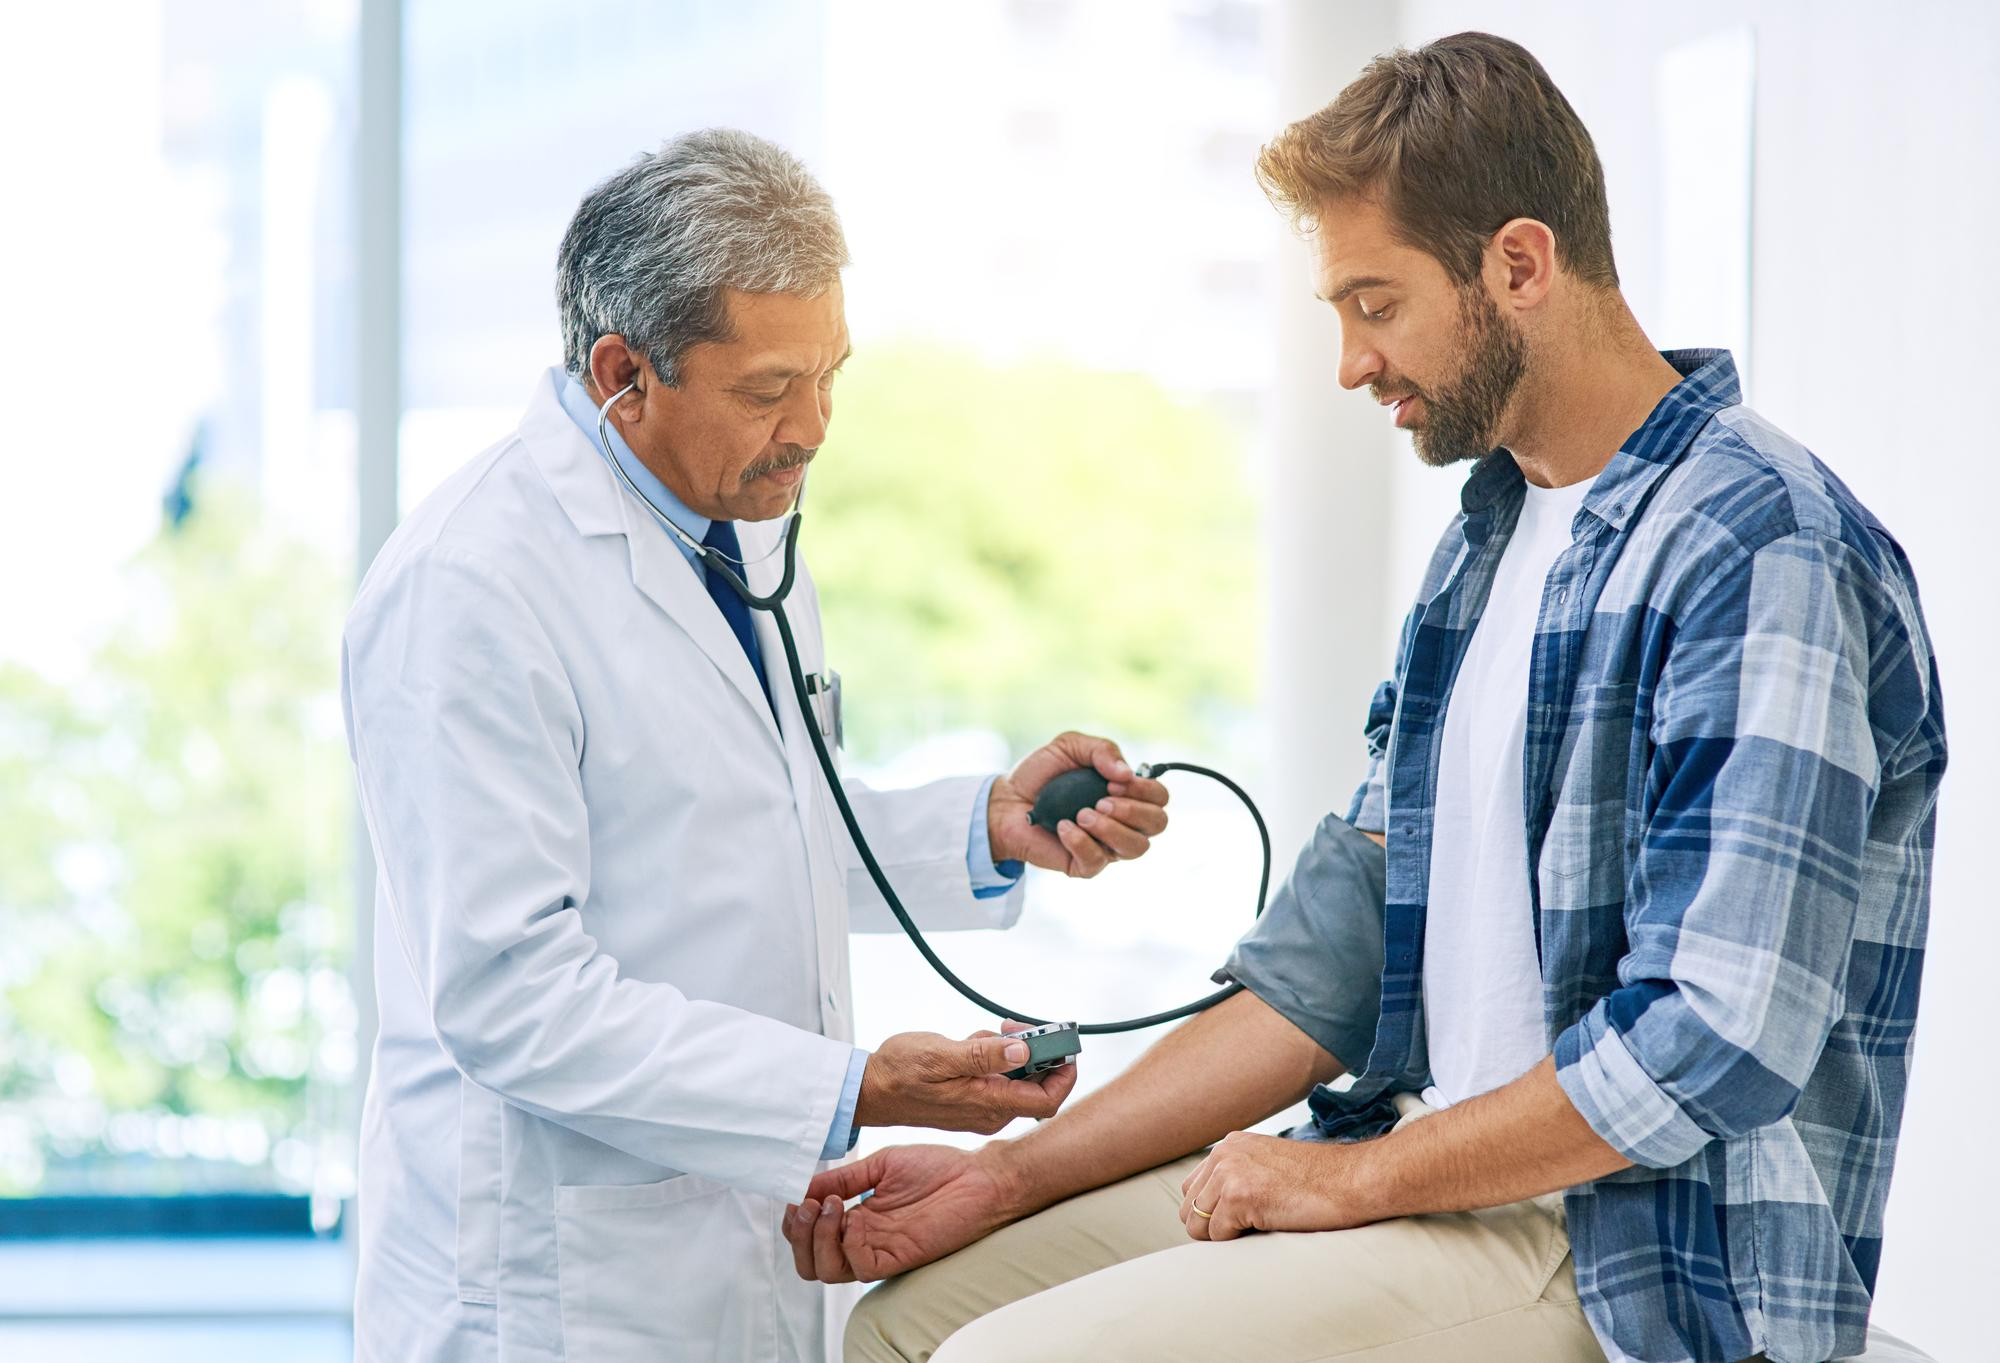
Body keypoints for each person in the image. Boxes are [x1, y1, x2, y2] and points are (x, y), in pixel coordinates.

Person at [787, 32, 1946, 1363]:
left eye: (1375, 302)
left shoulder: (1761, 546)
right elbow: (1335, 960)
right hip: (1424, 1173)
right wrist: (1009, 1176)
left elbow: (1714, 1035)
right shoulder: (1490, 539)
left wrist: (1345, 1181)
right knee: (906, 1321)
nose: (1349, 361)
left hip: (1624, 1244)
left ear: (1520, 263)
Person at [341, 129, 1172, 1363]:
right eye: (767, 388)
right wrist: (852, 1089)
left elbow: (745, 824)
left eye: (830, 374)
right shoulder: (473, 586)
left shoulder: (734, 524)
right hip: (551, 1282)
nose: (814, 426)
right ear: (623, 370)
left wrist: (979, 831)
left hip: (725, 1236)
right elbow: (509, 996)